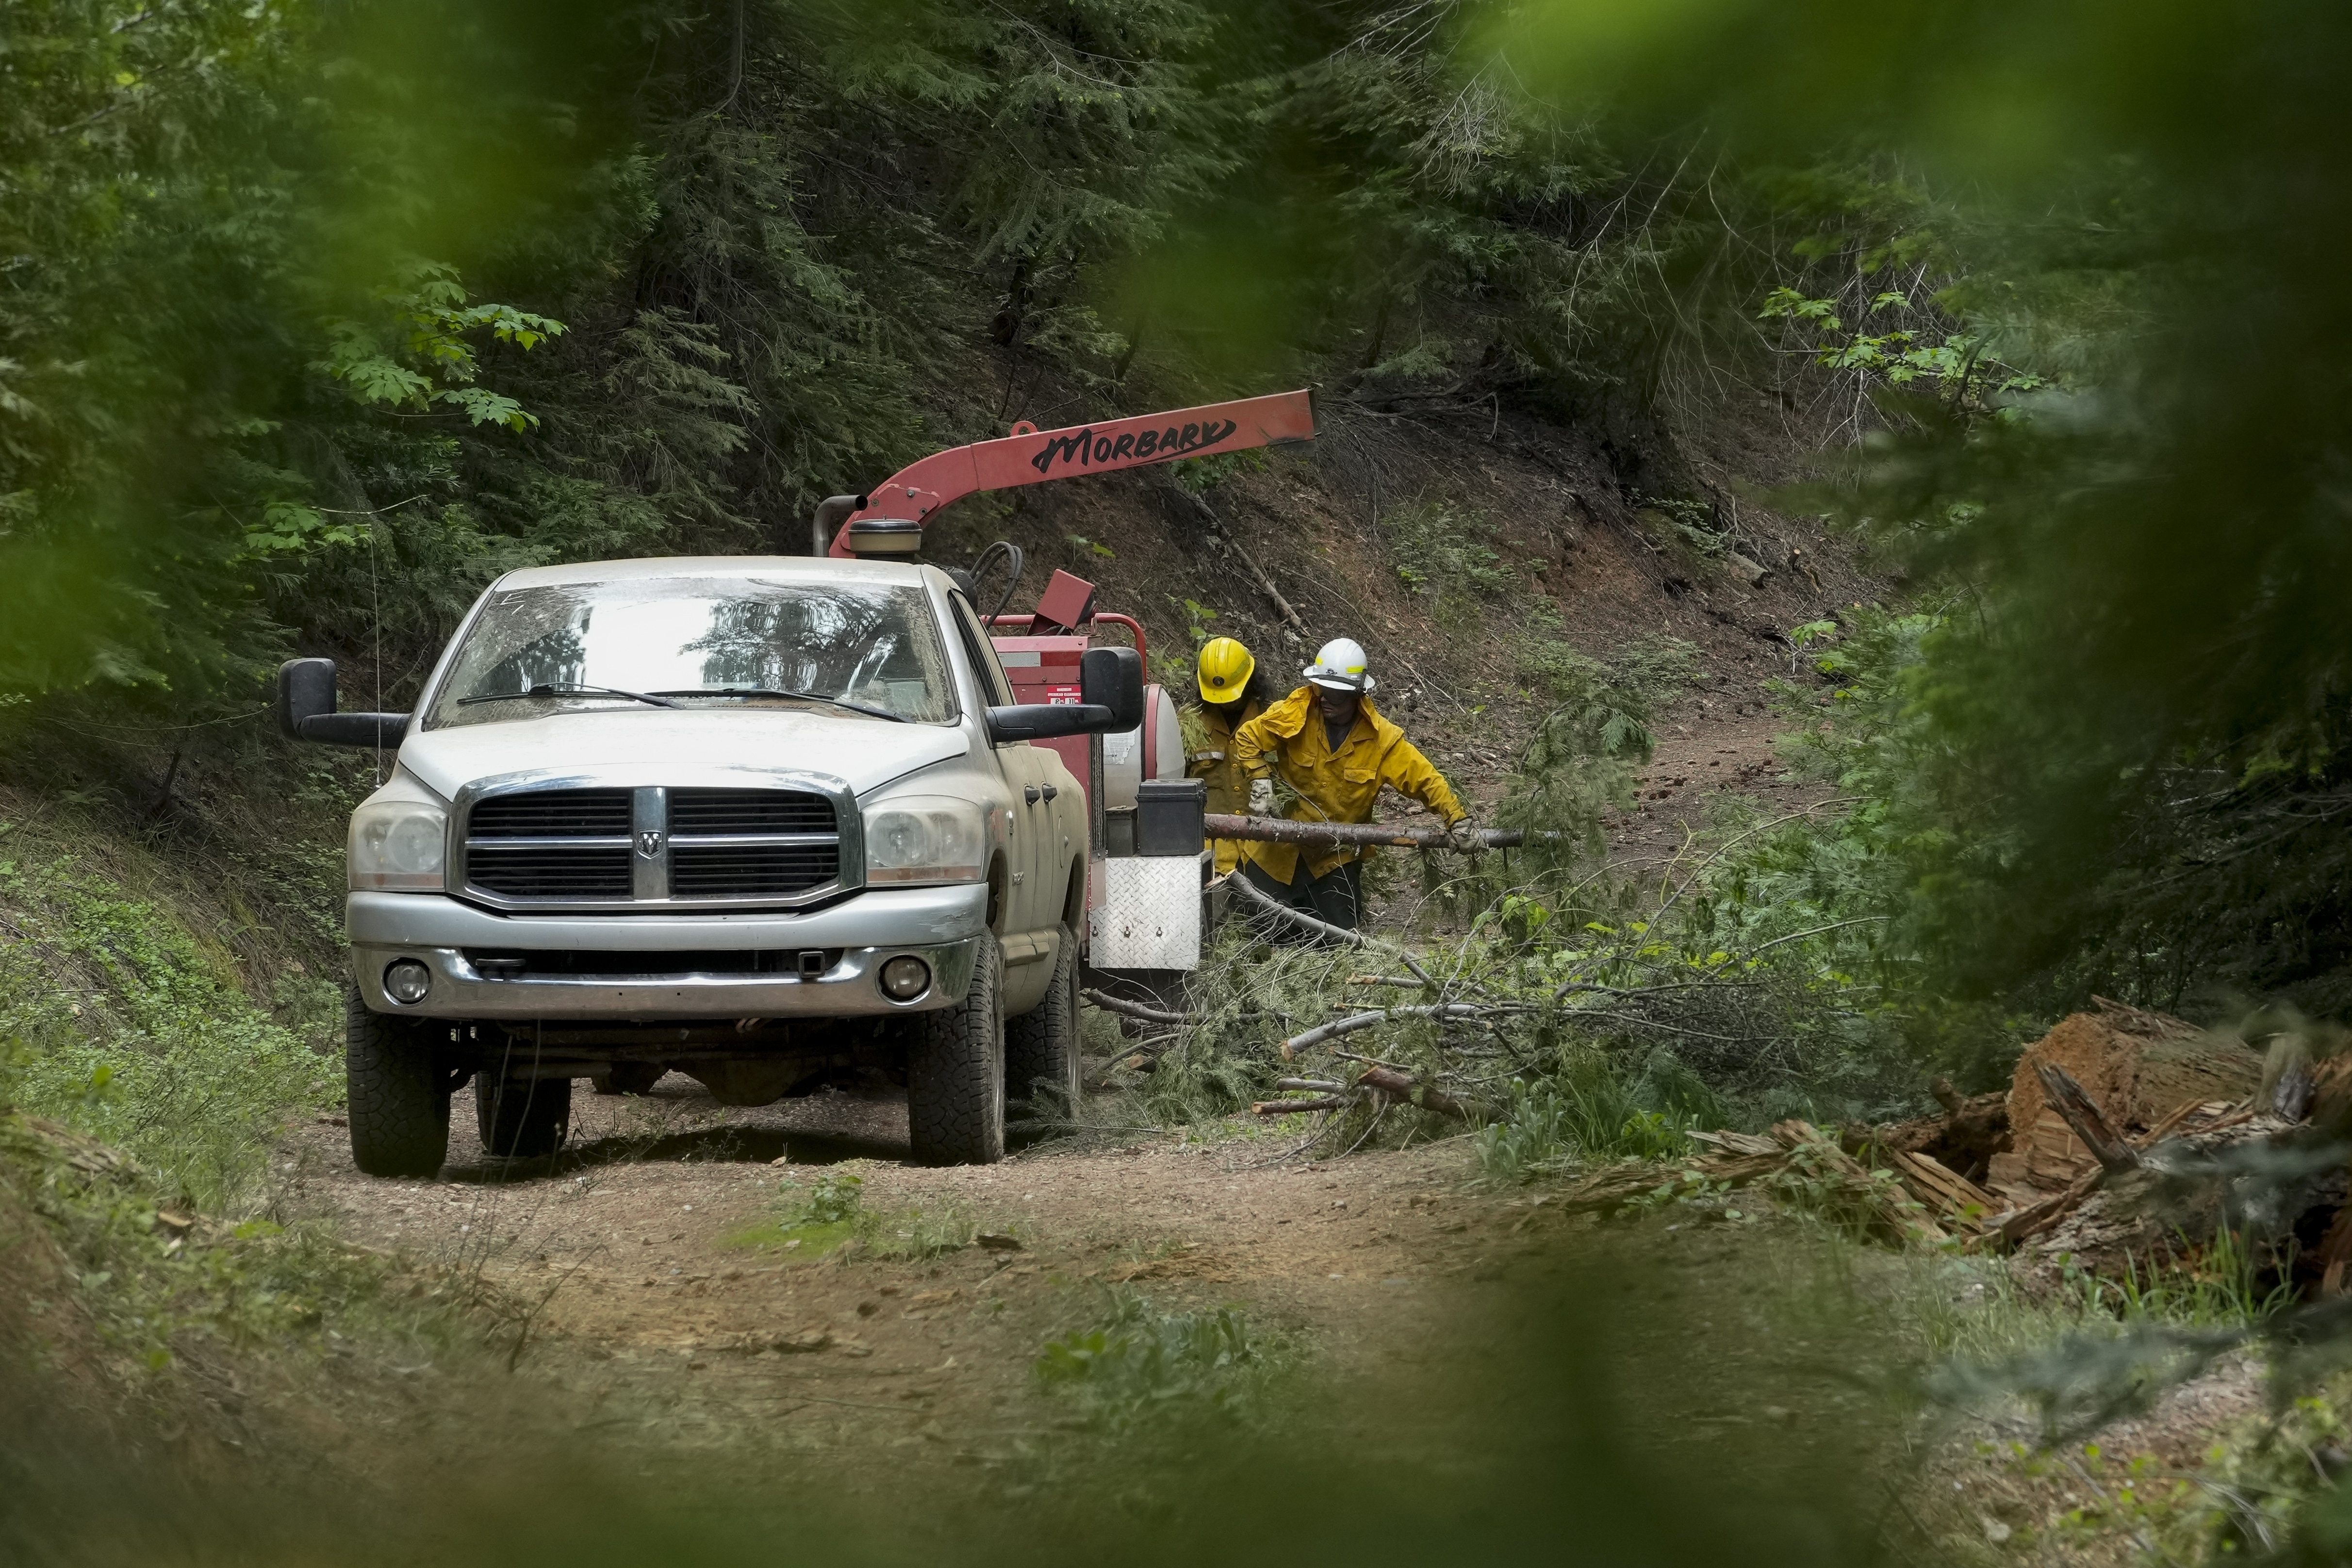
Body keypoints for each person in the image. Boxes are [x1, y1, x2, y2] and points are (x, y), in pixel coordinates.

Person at [1232, 637, 1481, 934]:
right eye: (1321, 689)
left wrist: (1457, 819)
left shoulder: (1381, 741)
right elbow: (1248, 738)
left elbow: (1425, 779)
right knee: (1258, 934)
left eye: (1335, 694)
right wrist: (1261, 781)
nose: (1324, 699)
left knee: (1339, 942)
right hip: (1276, 851)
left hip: (1333, 859)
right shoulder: (1297, 711)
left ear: (1356, 695)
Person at [1181, 636, 1275, 876]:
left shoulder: (1276, 721)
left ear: (1250, 681)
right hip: (1211, 856)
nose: (1227, 702)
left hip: (1267, 855)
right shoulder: (1189, 724)